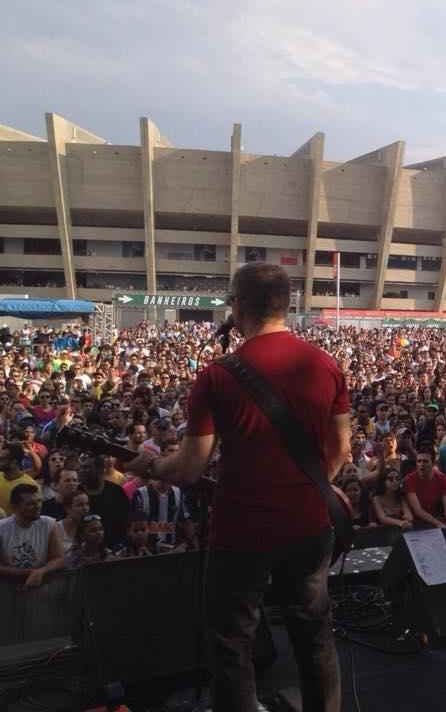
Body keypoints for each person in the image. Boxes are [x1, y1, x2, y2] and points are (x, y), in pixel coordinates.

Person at [125, 263, 349, 712]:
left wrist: (149, 466)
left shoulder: (219, 375)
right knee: (315, 636)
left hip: (242, 531)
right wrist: (305, 487)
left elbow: (189, 468)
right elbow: (342, 449)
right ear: (286, 304)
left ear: (238, 306)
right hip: (309, 524)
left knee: (233, 643)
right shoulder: (325, 365)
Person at [0, 484, 64, 586]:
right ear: (15, 506)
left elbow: (59, 559)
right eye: (30, 503)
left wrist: (41, 571)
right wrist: (28, 573)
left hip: (41, 585)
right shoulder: (2, 528)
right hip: (8, 585)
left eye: (39, 501)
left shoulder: (49, 524)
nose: (38, 506)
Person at [404, 448, 446, 528]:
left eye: (425, 461)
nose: (421, 464)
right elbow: (418, 510)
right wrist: (438, 524)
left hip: (436, 518)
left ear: (433, 463)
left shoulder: (442, 478)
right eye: (419, 461)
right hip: (416, 523)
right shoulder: (409, 479)